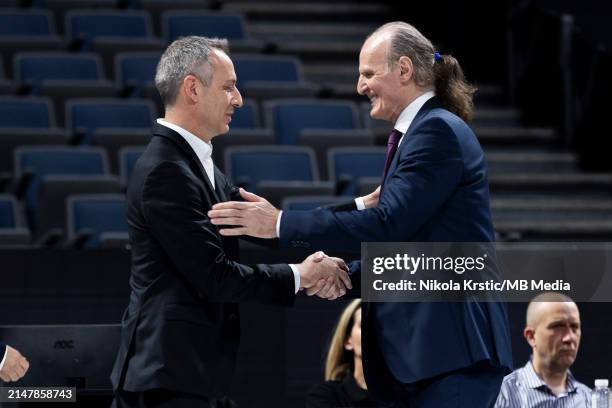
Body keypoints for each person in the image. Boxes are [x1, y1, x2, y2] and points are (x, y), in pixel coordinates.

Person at [208, 21, 513, 407]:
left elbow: (389, 224)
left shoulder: (435, 132)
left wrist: (281, 224)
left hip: (449, 355)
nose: (360, 87)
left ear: (404, 69)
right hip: (430, 359)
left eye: (369, 73)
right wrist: (345, 276)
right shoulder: (423, 133)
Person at [109, 36, 351, 408]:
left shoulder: (195, 165)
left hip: (189, 375)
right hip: (166, 378)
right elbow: (215, 277)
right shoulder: (165, 171)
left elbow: (272, 226)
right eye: (228, 87)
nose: (238, 99)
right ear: (192, 88)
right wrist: (304, 275)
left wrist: (361, 206)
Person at [495, 293, 590, 407]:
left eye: (574, 327)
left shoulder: (590, 399)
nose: (569, 338)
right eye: (557, 326)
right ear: (531, 336)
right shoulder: (502, 395)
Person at [306, 299, 375, 408]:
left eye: (381, 326)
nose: (374, 331)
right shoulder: (326, 396)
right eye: (365, 325)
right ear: (348, 340)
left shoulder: (408, 394)